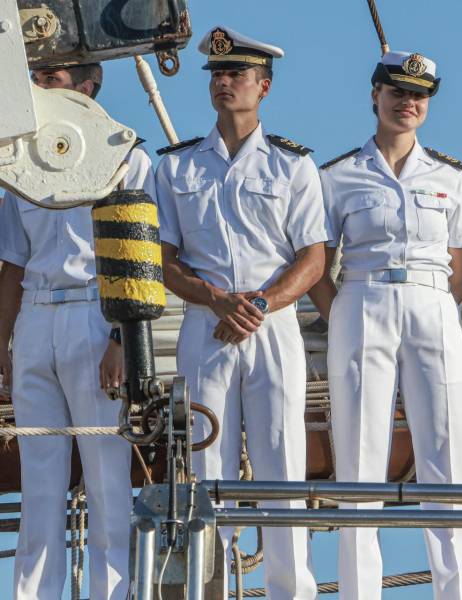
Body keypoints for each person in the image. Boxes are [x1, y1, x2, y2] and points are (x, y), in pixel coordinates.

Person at [155, 26, 328, 599]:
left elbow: (312, 258)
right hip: (206, 326)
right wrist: (216, 300)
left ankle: (291, 592)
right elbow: (165, 261)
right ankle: (211, 591)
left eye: (236, 74)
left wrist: (256, 304)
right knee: (206, 473)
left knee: (283, 466)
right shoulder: (175, 168)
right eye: (217, 75)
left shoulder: (292, 166)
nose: (223, 81)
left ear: (264, 86)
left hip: (271, 326)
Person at [309, 50, 462, 600]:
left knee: (446, 458)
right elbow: (318, 261)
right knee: (360, 459)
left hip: (432, 303)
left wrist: (431, 303)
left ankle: (457, 592)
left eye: (419, 96)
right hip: (362, 299)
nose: (409, 103)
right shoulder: (338, 175)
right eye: (398, 92)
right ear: (375, 97)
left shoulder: (451, 175)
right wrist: (343, 314)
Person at [0, 62, 154, 599]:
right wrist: (3, 343)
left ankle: (111, 593)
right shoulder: (18, 164)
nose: (37, 84)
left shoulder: (127, 157)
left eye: (52, 76)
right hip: (36, 317)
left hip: (96, 311)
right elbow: (13, 264)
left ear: (87, 86)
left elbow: (136, 258)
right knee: (39, 476)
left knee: (107, 473)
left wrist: (120, 339)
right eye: (35, 75)